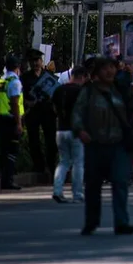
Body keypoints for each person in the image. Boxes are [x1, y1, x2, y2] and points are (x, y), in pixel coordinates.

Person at [72, 57, 133, 235]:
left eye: (112, 67)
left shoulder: (122, 90)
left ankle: (122, 222)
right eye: (105, 68)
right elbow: (78, 112)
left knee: (120, 182)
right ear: (97, 72)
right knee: (93, 185)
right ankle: (91, 222)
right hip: (95, 145)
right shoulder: (88, 92)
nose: (109, 71)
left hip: (119, 145)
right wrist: (80, 130)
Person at [21, 49, 60, 178]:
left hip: (48, 112)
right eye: (32, 61)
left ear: (41, 61)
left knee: (51, 141)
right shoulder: (25, 78)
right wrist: (27, 102)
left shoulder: (49, 76)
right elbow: (20, 96)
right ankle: (39, 166)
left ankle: (51, 165)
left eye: (37, 60)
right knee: (34, 140)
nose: (35, 63)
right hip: (33, 112)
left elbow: (57, 93)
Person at [52, 65, 87, 203]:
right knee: (78, 162)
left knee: (63, 161)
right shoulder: (81, 92)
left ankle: (57, 190)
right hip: (76, 131)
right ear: (82, 77)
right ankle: (77, 194)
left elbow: (54, 109)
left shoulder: (59, 90)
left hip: (60, 130)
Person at [0, 53, 24, 190]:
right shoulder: (14, 82)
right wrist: (19, 123)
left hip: (1, 118)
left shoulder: (1, 80)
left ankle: (4, 179)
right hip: (11, 119)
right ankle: (8, 180)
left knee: (4, 150)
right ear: (18, 67)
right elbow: (15, 103)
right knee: (12, 150)